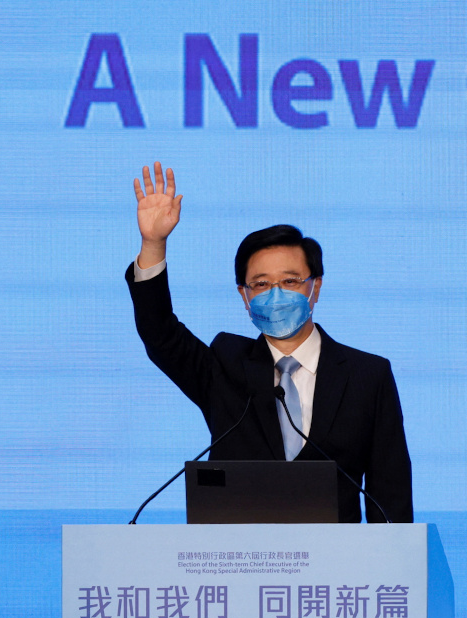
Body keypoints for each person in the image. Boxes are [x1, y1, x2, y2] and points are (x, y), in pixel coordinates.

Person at [125, 162, 413, 523]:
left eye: (290, 282)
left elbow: (391, 493)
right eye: (260, 284)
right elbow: (159, 333)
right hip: (234, 565)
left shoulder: (368, 375)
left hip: (338, 571)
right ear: (244, 296)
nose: (275, 294)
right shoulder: (224, 366)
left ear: (315, 287)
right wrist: (154, 244)